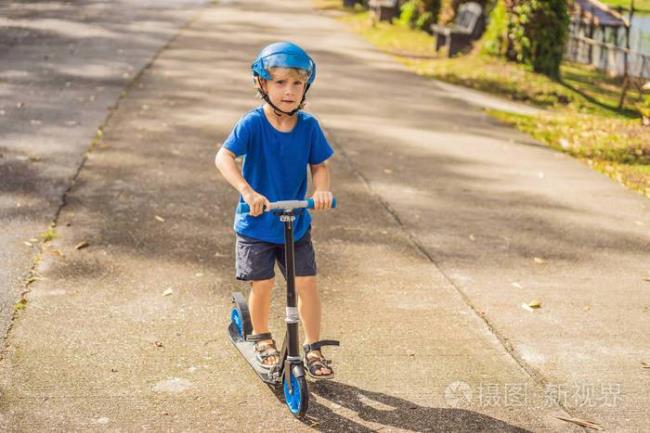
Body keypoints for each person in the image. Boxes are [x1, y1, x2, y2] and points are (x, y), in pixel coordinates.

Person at [215, 41, 336, 379]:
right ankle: (262, 336)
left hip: (295, 222)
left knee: (306, 284)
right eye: (280, 82)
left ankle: (313, 346)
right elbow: (223, 157)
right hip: (256, 224)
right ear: (262, 84)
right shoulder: (252, 123)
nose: (289, 91)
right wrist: (247, 191)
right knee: (263, 284)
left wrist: (322, 190)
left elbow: (320, 165)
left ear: (306, 87)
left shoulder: (309, 126)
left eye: (297, 83)